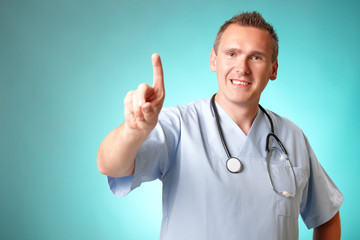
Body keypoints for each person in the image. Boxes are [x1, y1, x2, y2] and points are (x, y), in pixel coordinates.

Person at [97, 11, 344, 240]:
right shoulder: (179, 125)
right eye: (232, 54)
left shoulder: (292, 137)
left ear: (273, 69)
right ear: (214, 60)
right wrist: (133, 131)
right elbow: (110, 166)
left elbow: (327, 217)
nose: (242, 68)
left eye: (256, 57)